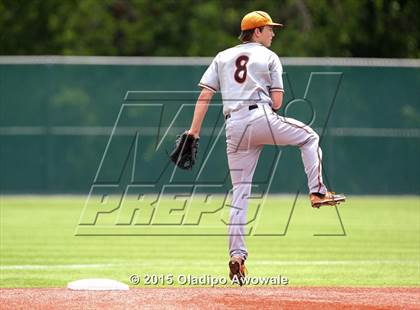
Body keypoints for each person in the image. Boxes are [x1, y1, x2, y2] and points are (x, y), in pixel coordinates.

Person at [187, 11, 345, 285]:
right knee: (309, 137)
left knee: (240, 193)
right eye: (269, 29)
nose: (273, 33)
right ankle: (318, 191)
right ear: (256, 32)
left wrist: (194, 132)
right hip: (260, 117)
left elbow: (205, 94)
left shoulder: (222, 56)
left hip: (233, 125)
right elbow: (277, 102)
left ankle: (237, 257)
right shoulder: (269, 57)